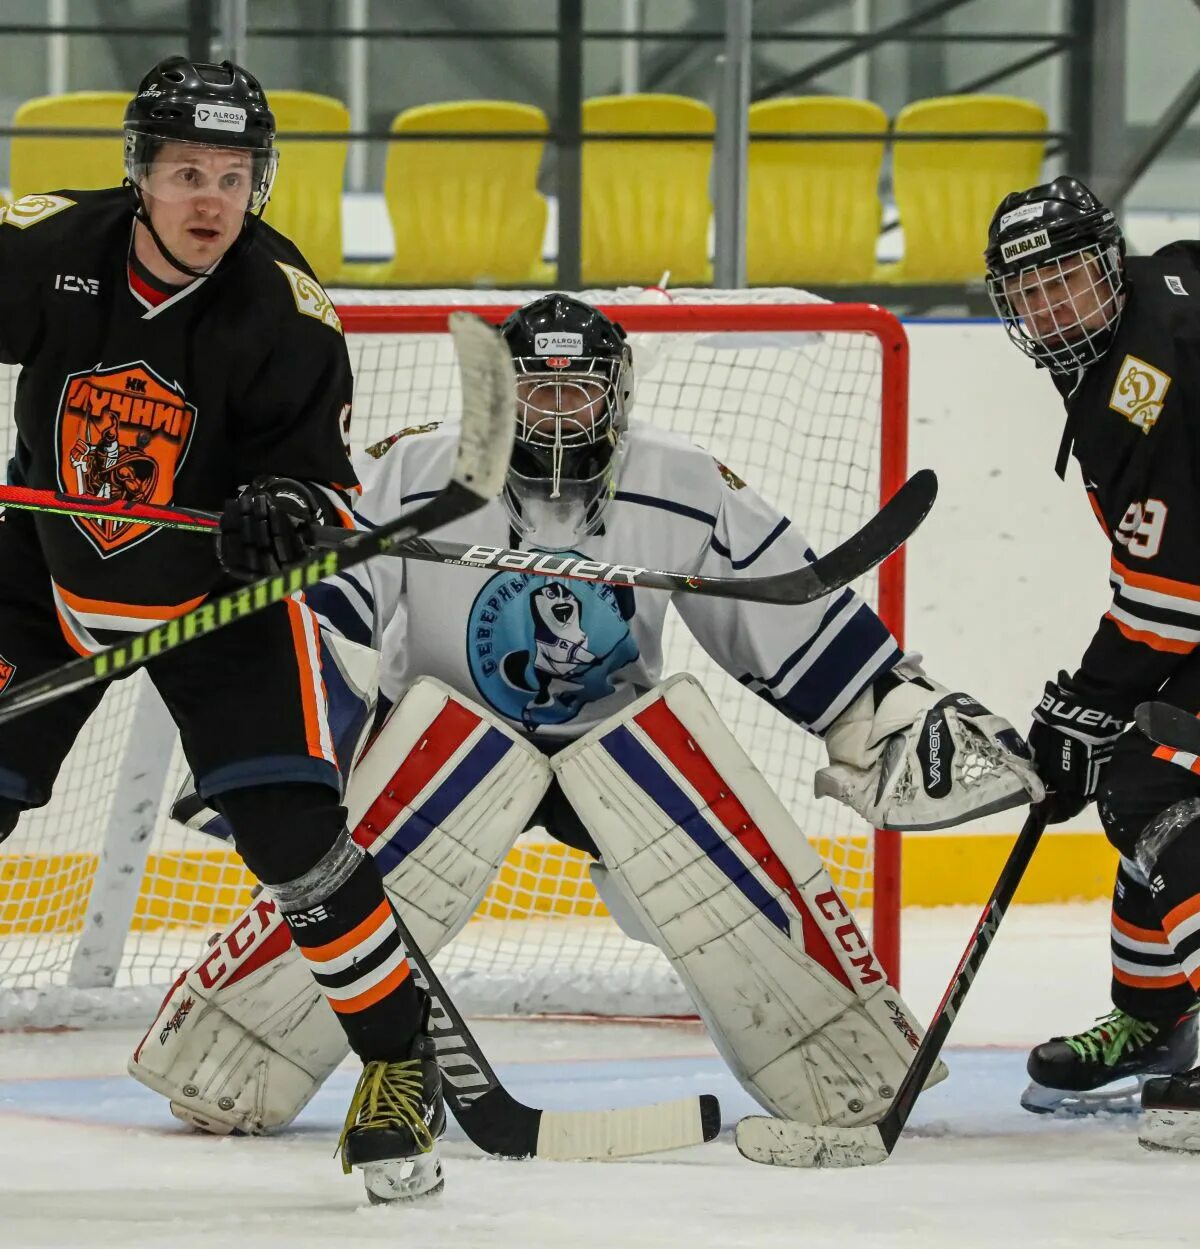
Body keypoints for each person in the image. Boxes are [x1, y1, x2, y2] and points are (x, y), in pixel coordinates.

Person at [129, 293, 1043, 1144]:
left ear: (617, 396)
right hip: (441, 748)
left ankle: (850, 1064)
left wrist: (890, 713)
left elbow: (787, 614)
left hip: (615, 757)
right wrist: (283, 754)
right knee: (409, 804)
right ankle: (229, 1055)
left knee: (672, 764)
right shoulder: (416, 469)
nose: (555, 412)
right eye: (536, 391)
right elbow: (326, 616)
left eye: (576, 391)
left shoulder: (682, 480)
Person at [0, 56, 443, 1200]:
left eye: (234, 176)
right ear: (140, 174)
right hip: (42, 577)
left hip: (213, 607)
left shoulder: (283, 311)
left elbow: (324, 489)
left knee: (295, 840)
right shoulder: (51, 249)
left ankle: (400, 1066)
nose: (210, 200)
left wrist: (285, 512)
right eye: (187, 171)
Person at [984, 176, 1200, 1143]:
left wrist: (1082, 703)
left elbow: (1172, 602)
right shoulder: (1165, 291)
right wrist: (1096, 711)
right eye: (1026, 289)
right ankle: (1156, 1019)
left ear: (1109, 263)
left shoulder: (1140, 383)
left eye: (1065, 278)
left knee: (1160, 787)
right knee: (1140, 776)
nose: (1047, 306)